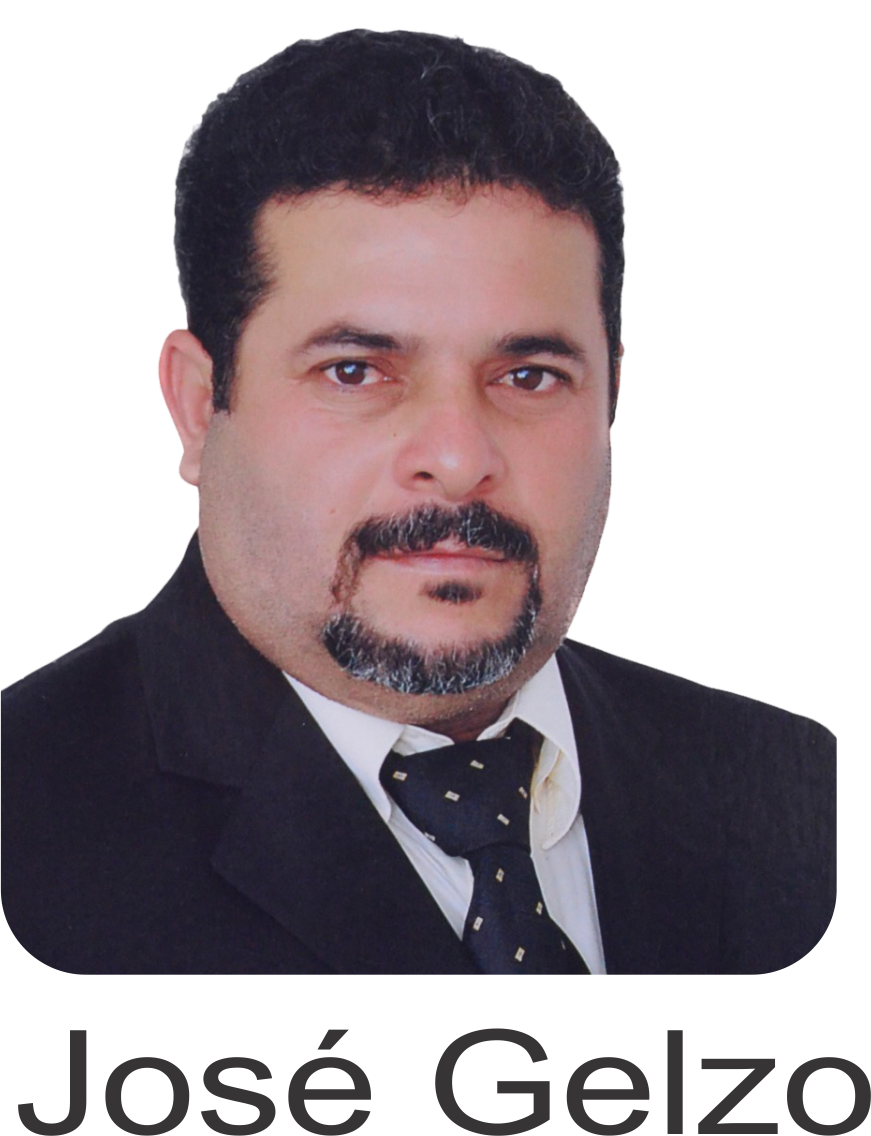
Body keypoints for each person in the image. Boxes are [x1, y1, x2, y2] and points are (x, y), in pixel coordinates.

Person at [0, 28, 834, 975]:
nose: (457, 457)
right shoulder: (26, 827)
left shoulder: (803, 802)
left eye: (528, 375)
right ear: (199, 407)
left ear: (611, 396)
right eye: (355, 371)